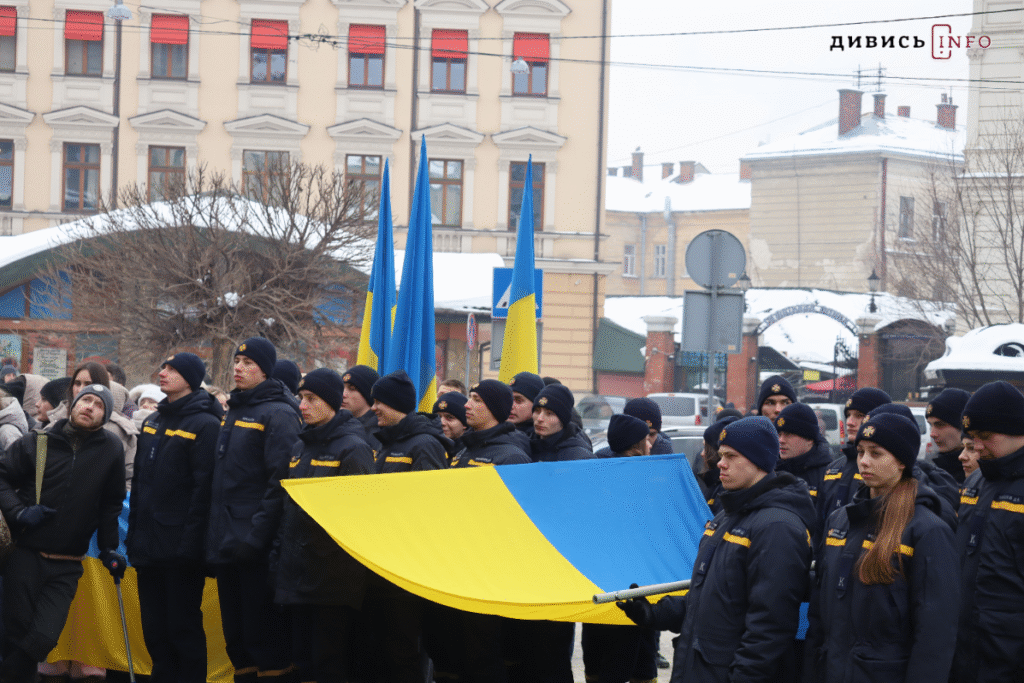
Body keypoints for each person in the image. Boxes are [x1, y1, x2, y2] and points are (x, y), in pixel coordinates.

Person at [618, 416, 815, 683]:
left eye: (731, 456)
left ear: (758, 460)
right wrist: (653, 612)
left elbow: (770, 628)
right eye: (722, 455)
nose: (720, 463)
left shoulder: (777, 527)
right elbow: (707, 600)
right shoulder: (726, 516)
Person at [804, 412, 959, 682]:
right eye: (861, 451)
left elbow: (935, 635)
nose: (863, 461)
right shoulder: (840, 520)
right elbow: (820, 615)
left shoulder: (927, 530)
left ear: (901, 462)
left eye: (876, 454)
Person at [0, 385, 127, 683]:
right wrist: (18, 512)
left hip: (68, 563)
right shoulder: (37, 442)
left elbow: (111, 504)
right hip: (25, 555)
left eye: (98, 404)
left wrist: (109, 549)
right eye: (86, 400)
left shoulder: (110, 449)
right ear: (72, 405)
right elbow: (2, 477)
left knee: (44, 637)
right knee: (17, 635)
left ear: (105, 415)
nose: (90, 407)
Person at [206, 337, 301, 683]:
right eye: (236, 362)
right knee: (238, 641)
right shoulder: (237, 409)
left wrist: (256, 538)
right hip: (228, 544)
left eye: (248, 363)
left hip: (256, 550)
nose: (238, 368)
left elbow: (280, 484)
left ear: (266, 370)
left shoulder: (279, 412)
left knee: (266, 641)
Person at [125, 353, 221, 683]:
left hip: (181, 552)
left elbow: (203, 491)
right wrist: (134, 536)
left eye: (172, 369)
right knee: (154, 630)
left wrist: (190, 547)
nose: (163, 373)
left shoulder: (205, 424)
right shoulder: (154, 421)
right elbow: (140, 484)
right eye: (163, 367)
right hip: (148, 547)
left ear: (191, 379)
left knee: (183, 630)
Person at [273, 368, 374, 683]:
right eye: (301, 398)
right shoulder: (302, 445)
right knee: (303, 661)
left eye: (311, 399)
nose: (302, 405)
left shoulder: (353, 447)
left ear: (332, 403)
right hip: (298, 572)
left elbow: (356, 517)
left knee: (328, 662)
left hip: (331, 578)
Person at [360, 370, 449, 683]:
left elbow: (431, 509)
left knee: (403, 653)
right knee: (381, 651)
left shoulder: (424, 446)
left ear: (396, 404)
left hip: (407, 569)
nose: (373, 409)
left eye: (379, 402)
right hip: (382, 565)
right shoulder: (387, 444)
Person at [953, 381, 1024, 682]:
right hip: (966, 649)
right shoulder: (974, 484)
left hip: (1010, 656)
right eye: (971, 437)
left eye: (985, 436)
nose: (976, 446)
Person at [583, 414, 658, 683]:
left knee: (597, 658)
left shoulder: (594, 473)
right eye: (647, 440)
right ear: (638, 447)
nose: (652, 445)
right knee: (624, 661)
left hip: (596, 583)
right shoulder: (641, 480)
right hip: (632, 589)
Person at [818, 387, 891, 520]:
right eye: (848, 415)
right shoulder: (833, 468)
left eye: (859, 415)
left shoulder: (888, 469)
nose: (850, 422)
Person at [774, 402, 834, 534]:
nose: (781, 440)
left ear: (810, 439)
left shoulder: (828, 475)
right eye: (779, 434)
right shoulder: (771, 470)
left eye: (789, 434)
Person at [451, 380, 529, 468]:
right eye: (470, 398)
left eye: (477, 400)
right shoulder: (464, 447)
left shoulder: (512, 458)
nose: (466, 405)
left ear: (495, 408)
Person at [529, 384, 593, 463]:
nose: (539, 418)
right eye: (537, 411)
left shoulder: (580, 458)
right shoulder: (526, 446)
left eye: (549, 413)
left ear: (563, 419)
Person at [926, 388, 971, 483]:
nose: (932, 434)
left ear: (963, 427)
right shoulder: (930, 472)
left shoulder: (980, 476)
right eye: (931, 425)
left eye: (940, 425)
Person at [342, 365, 380, 452]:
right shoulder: (336, 427)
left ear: (368, 395)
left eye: (352, 389)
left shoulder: (379, 436)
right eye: (341, 387)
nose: (343, 394)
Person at [507, 371, 544, 452]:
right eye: (508, 399)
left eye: (518, 400)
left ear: (536, 405)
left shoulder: (543, 439)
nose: (511, 406)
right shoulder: (494, 431)